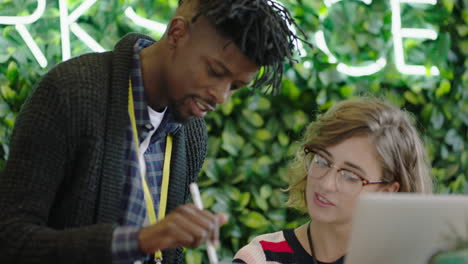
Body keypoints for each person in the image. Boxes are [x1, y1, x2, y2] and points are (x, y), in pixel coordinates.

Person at [0, 0, 305, 263]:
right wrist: (140, 240)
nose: (221, 96)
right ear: (177, 33)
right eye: (215, 71)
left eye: (235, 87)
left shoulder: (191, 133)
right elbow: (11, 240)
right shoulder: (71, 93)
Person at [233, 97, 433, 264]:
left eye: (351, 176)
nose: (327, 183)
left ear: (387, 191)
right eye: (322, 161)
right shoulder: (261, 257)